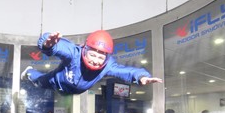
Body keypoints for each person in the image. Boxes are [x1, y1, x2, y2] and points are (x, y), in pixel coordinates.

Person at [21, 31, 162, 95]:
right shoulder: (74, 53)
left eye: (100, 57)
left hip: (77, 91)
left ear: (106, 58)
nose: (95, 60)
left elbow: (126, 71)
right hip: (56, 81)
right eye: (92, 55)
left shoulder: (108, 65)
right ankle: (29, 72)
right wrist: (47, 44)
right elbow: (61, 47)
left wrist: (142, 76)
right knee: (38, 80)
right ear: (84, 49)